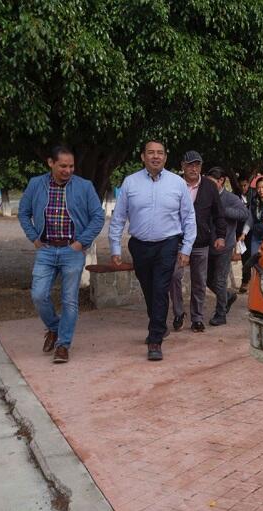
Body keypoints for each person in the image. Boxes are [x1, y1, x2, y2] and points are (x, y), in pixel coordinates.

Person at [109, 140, 196, 361]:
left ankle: (155, 339)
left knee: (159, 289)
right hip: (139, 246)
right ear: (143, 157)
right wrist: (115, 247)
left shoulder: (177, 184)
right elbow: (118, 218)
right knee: (149, 290)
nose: (155, 156)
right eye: (151, 153)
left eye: (160, 153)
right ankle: (158, 323)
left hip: (167, 244)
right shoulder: (130, 183)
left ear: (166, 158)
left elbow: (188, 218)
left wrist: (186, 248)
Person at [18, 145, 105, 364]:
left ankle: (63, 345)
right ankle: (54, 328)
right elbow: (23, 213)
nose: (68, 170)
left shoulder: (84, 187)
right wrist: (34, 238)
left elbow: (97, 217)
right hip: (46, 250)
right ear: (51, 163)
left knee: (69, 300)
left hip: (71, 251)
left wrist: (81, 243)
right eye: (63, 166)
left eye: (71, 166)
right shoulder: (36, 184)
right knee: (38, 294)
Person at [169, 151, 227, 333]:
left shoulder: (210, 187)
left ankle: (197, 318)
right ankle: (178, 313)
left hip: (201, 242)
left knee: (199, 282)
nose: (193, 168)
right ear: (182, 166)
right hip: (178, 242)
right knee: (174, 277)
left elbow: (219, 214)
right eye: (190, 165)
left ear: (201, 167)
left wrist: (220, 235)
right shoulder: (174, 185)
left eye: (197, 165)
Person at [205, 167, 249, 326]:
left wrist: (223, 211)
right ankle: (228, 296)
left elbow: (245, 214)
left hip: (225, 245)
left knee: (220, 280)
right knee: (208, 280)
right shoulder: (205, 196)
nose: (208, 185)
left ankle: (220, 314)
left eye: (211, 182)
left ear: (221, 181)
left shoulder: (231, 198)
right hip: (208, 245)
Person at [235, 176, 253, 293]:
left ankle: (251, 281)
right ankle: (245, 281)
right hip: (240, 231)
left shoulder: (254, 196)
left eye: (245, 185)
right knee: (244, 256)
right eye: (241, 185)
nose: (243, 188)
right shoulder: (236, 197)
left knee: (253, 256)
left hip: (252, 231)